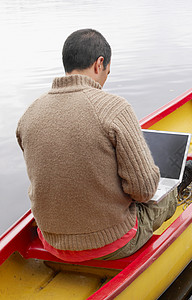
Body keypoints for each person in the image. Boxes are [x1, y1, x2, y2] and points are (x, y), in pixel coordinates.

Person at [16, 29, 179, 261]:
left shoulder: (29, 114)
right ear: (99, 63)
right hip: (112, 244)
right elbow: (143, 191)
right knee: (168, 194)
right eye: (107, 73)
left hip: (52, 240)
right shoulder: (114, 108)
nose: (105, 80)